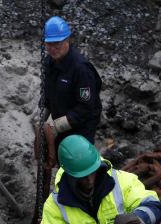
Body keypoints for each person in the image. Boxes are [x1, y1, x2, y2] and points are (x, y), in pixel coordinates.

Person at [37, 16, 103, 170]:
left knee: (77, 166)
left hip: (81, 128)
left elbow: (86, 108)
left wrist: (56, 127)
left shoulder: (81, 69)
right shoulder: (49, 63)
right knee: (62, 162)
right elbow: (48, 95)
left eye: (57, 43)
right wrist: (44, 119)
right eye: (49, 44)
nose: (53, 48)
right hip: (60, 120)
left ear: (67, 40)